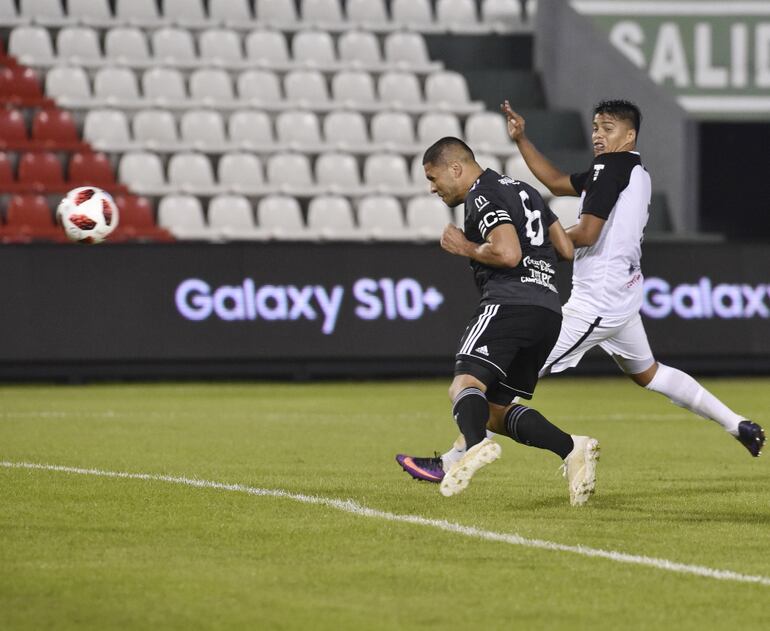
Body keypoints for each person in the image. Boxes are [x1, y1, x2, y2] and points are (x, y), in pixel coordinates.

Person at [398, 99, 765, 486]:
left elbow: (586, 234)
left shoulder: (611, 167)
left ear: (629, 135)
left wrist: (531, 246)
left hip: (596, 300)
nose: (597, 136)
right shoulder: (628, 172)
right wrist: (522, 141)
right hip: (622, 293)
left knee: (489, 385)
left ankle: (460, 457)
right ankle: (736, 423)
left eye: (607, 128)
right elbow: (557, 183)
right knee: (650, 374)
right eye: (594, 128)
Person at [397, 136, 600, 505]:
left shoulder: (482, 194)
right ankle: (572, 448)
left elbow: (506, 253)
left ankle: (473, 448)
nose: (432, 188)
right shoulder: (526, 191)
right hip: (548, 311)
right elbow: (567, 250)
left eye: (433, 177)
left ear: (455, 168)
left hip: (510, 302)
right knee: (493, 411)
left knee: (463, 385)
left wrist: (467, 248)